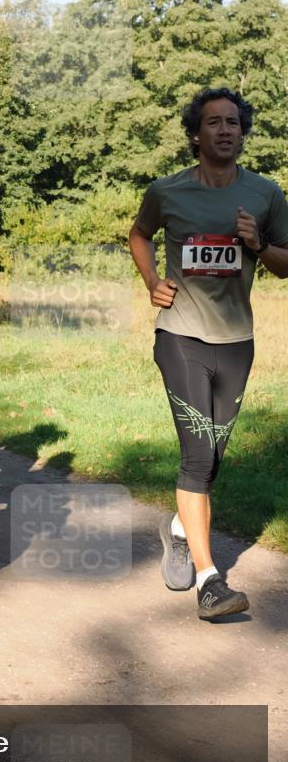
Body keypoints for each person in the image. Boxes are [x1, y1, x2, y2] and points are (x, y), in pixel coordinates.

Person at [129, 87, 288, 621]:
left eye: (233, 122)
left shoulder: (266, 194)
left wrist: (259, 245)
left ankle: (177, 528)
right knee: (198, 454)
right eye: (213, 122)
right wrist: (153, 280)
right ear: (195, 133)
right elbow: (139, 233)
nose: (224, 130)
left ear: (243, 132)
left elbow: (286, 263)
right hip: (180, 336)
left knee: (214, 455)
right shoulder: (167, 190)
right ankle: (209, 580)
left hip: (236, 341)